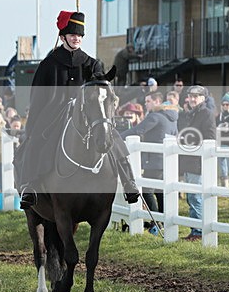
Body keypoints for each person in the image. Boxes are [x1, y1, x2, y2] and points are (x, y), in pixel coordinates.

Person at [15, 11, 140, 209]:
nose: (76, 39)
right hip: (54, 112)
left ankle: (129, 182)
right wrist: (32, 126)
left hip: (86, 112)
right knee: (36, 138)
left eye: (79, 36)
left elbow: (100, 87)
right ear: (63, 37)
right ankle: (30, 186)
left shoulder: (92, 63)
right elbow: (38, 98)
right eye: (73, 35)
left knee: (111, 134)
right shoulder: (49, 64)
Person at [120, 91, 178, 225]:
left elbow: (138, 130)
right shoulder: (172, 117)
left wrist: (117, 136)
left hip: (153, 161)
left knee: (146, 191)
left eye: (148, 101)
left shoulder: (155, 116)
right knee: (160, 192)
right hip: (166, 160)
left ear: (157, 102)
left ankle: (156, 221)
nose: (145, 104)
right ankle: (163, 221)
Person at [178, 85, 215, 240]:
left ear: (203, 98)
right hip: (188, 160)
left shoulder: (205, 113)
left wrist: (191, 141)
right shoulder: (190, 113)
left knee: (195, 197)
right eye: (190, 96)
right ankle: (195, 230)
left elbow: (210, 137)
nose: (192, 99)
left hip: (198, 161)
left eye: (196, 96)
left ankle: (198, 232)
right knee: (191, 197)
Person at [216, 92, 229, 187]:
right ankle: (225, 184)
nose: (225, 106)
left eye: (227, 104)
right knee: (222, 165)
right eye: (223, 104)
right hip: (221, 142)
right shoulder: (218, 117)